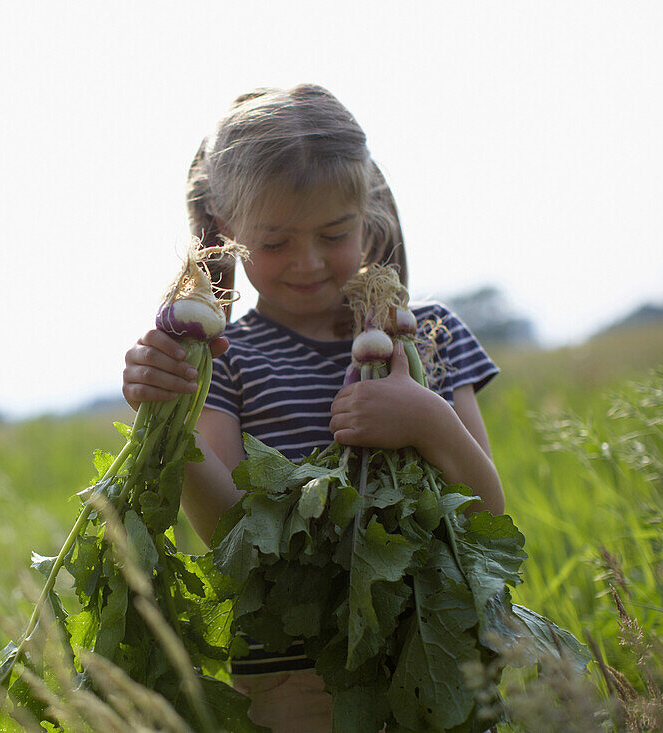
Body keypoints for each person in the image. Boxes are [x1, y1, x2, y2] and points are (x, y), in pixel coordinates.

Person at [122, 84, 505, 732]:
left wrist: (424, 419)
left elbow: (488, 516)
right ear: (227, 233)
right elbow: (231, 535)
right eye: (275, 242)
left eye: (335, 233)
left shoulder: (429, 336)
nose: (309, 261)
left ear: (368, 215)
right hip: (295, 685)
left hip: (435, 665)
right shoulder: (225, 361)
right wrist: (168, 420)